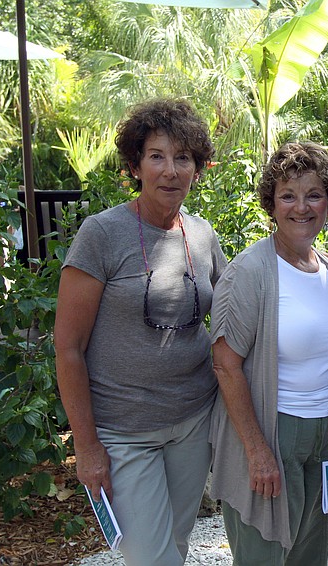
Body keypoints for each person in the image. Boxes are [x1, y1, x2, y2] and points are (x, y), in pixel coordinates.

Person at [53, 98, 227, 565]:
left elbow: (234, 309)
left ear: (198, 168)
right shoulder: (102, 234)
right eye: (157, 156)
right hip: (124, 431)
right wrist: (86, 447)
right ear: (135, 164)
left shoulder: (203, 235)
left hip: (193, 420)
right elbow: (68, 347)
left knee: (177, 544)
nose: (170, 171)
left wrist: (307, 264)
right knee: (152, 558)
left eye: (183, 157)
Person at [209, 141, 328, 566]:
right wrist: (257, 450)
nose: (301, 207)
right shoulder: (250, 273)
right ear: (271, 204)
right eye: (288, 195)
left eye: (313, 195)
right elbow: (225, 363)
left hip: (321, 437)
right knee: (264, 557)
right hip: (271, 432)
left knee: (308, 557)